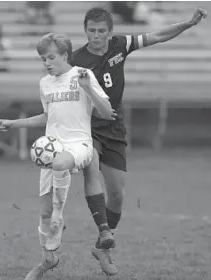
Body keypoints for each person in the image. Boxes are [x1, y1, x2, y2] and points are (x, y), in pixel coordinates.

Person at [71, 6, 207, 276]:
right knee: (91, 169)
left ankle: (102, 248)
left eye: (101, 31)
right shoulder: (76, 59)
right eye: (91, 30)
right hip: (87, 127)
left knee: (118, 196)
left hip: (114, 127)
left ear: (110, 33)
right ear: (85, 30)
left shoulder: (121, 44)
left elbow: (157, 36)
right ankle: (104, 230)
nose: (96, 36)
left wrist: (188, 25)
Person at [0, 32, 117, 280]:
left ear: (65, 55)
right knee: (43, 213)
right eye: (43, 59)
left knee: (60, 164)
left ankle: (60, 218)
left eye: (51, 57)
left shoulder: (83, 75)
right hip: (52, 146)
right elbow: (46, 116)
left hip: (79, 144)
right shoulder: (45, 83)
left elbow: (106, 112)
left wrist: (87, 89)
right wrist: (13, 123)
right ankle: (48, 258)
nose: (47, 63)